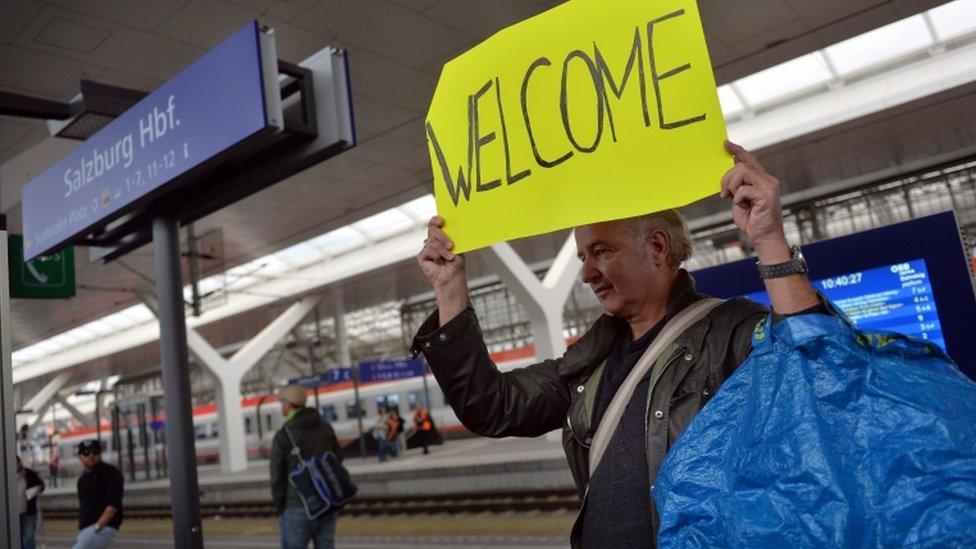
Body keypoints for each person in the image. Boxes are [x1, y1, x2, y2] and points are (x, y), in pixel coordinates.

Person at [412, 140, 828, 547]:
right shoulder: (590, 363)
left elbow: (817, 379)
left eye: (601, 251)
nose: (587, 272)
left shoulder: (729, 334)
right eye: (582, 257)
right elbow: (493, 407)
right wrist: (450, 290)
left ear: (657, 247)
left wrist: (770, 240)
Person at [270, 384, 341, 549]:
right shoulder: (325, 427)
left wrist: (281, 508)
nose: (282, 407)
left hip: (296, 505)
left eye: (282, 403)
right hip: (327, 503)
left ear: (289, 405)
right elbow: (338, 459)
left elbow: (277, 475)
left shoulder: (284, 435)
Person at [74, 440, 123, 549]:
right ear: (80, 456)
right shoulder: (82, 480)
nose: (91, 456)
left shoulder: (110, 473)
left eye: (95, 452)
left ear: (100, 454)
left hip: (102, 528)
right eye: (86, 453)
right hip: (86, 529)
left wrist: (97, 527)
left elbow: (113, 506)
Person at [17, 456, 45, 549]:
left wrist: (37, 489)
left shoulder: (29, 474)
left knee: (28, 538)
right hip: (15, 513)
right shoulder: (7, 475)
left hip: (28, 512)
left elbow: (41, 485)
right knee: (17, 538)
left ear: (20, 463)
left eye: (17, 463)